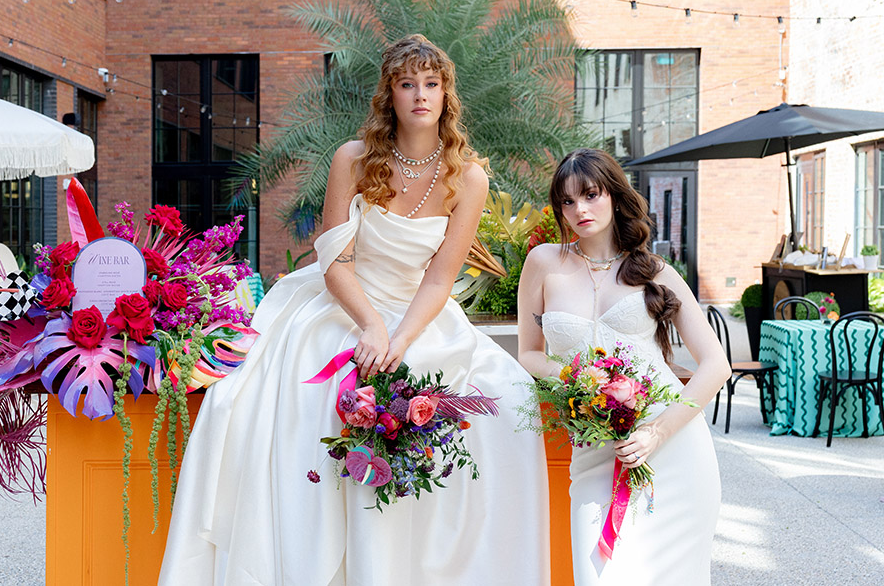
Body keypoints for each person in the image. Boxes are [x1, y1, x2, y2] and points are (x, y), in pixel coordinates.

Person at [158, 34, 550, 585]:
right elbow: (332, 260)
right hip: (342, 299)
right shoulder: (354, 158)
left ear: (446, 94)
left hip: (419, 310)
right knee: (305, 392)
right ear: (389, 93)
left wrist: (400, 338)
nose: (420, 95)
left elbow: (439, 277)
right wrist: (370, 325)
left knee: (504, 404)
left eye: (431, 84)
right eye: (407, 83)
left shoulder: (469, 178)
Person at [517, 148, 729, 585]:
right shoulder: (542, 263)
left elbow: (715, 365)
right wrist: (584, 385)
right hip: (596, 446)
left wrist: (657, 432)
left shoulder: (655, 271)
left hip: (672, 446)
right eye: (568, 201)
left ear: (613, 195)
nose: (580, 210)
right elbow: (530, 353)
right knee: (598, 575)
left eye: (591, 195)